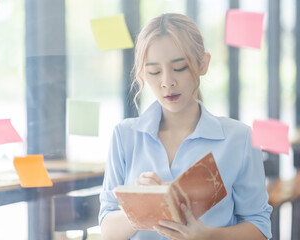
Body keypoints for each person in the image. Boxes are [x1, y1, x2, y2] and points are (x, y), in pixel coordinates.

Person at [99, 13, 272, 240]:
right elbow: (107, 230)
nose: (167, 81)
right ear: (142, 73)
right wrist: (142, 207)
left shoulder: (239, 139)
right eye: (154, 72)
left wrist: (207, 236)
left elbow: (259, 228)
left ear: (203, 64)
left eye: (179, 67)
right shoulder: (125, 136)